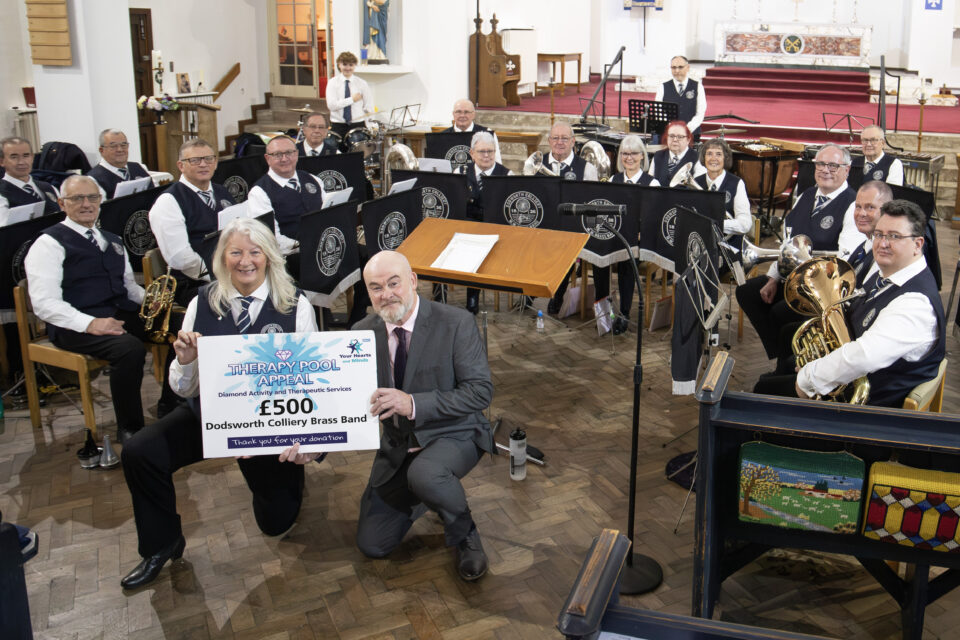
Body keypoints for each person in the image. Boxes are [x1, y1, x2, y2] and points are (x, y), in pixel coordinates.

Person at [119, 217, 318, 589]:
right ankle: (161, 545)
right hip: (212, 415)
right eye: (236, 252)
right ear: (222, 258)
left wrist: (297, 440)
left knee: (276, 522)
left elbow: (310, 385)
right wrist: (186, 361)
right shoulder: (202, 301)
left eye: (255, 252)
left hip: (270, 425)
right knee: (139, 451)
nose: (246, 261)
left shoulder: (296, 305)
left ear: (269, 256)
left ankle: (283, 482)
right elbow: (182, 390)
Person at [282, 250, 494, 581]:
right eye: (376, 287)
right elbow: (345, 402)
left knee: (426, 473)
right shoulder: (362, 333)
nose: (387, 294)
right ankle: (432, 495)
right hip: (399, 447)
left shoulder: (455, 322)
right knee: (373, 544)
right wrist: (316, 446)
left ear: (412, 281)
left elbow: (480, 392)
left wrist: (413, 403)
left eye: (394, 283)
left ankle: (464, 531)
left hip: (454, 433)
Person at [24, 176, 180, 442]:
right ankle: (130, 429)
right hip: (72, 324)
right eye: (77, 199)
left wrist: (152, 303)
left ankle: (171, 405)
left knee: (184, 327)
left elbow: (129, 287)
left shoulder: (113, 239)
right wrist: (90, 323)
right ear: (62, 203)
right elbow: (44, 304)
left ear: (101, 201)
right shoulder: (48, 243)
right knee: (128, 349)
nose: (86, 204)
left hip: (117, 311)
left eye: (92, 197)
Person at [753, 199, 944, 408]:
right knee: (781, 370)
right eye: (879, 234)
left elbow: (864, 356)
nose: (883, 243)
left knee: (762, 390)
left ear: (917, 244)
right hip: (851, 380)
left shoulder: (916, 304)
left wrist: (808, 377)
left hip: (868, 409)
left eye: (894, 236)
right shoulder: (888, 273)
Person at [736, 143, 863, 369]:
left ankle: (789, 362)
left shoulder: (851, 205)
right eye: (821, 164)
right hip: (794, 279)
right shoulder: (806, 194)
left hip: (821, 289)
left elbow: (845, 257)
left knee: (778, 311)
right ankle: (784, 354)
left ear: (847, 169)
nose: (826, 170)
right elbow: (788, 243)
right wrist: (773, 279)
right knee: (748, 292)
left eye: (833, 165)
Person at [149, 138, 236, 306]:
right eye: (195, 160)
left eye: (208, 159)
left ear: (216, 162)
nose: (203, 164)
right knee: (241, 297)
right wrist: (223, 276)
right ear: (181, 166)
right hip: (193, 282)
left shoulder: (222, 191)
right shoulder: (169, 201)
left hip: (229, 271)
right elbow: (180, 258)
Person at [595, 135, 659, 335]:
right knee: (598, 260)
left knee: (626, 262)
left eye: (633, 153)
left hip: (639, 241)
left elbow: (653, 220)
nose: (628, 158)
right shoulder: (614, 180)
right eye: (624, 153)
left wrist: (640, 234)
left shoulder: (652, 183)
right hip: (615, 237)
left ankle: (624, 314)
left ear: (642, 156)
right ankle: (604, 312)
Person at [247, 135, 327, 270]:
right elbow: (271, 239)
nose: (284, 159)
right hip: (290, 257)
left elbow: (327, 213)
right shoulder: (259, 192)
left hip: (322, 245)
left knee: (360, 254)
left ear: (296, 154)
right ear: (268, 158)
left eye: (289, 153)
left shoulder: (313, 179)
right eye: (277, 155)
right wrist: (307, 246)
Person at [544, 122, 598, 314]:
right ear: (549, 141)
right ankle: (531, 291)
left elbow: (591, 204)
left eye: (565, 138)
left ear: (573, 141)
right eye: (556, 138)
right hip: (544, 226)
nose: (560, 142)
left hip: (572, 228)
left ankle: (557, 295)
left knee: (564, 245)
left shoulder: (587, 169)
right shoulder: (536, 163)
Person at [458, 131, 510, 314]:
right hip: (468, 227)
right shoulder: (460, 172)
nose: (486, 155)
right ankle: (471, 296)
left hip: (496, 227)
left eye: (490, 151)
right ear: (472, 153)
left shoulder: (506, 175)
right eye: (482, 152)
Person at [694, 138, 752, 244]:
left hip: (729, 245)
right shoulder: (695, 183)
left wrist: (716, 225)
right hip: (701, 244)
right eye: (709, 154)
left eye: (719, 154)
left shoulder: (737, 183)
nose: (713, 158)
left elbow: (745, 224)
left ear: (725, 158)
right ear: (703, 157)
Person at [0, 136, 59, 224]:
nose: (21, 162)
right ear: (1, 162)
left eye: (26, 155)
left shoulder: (49, 187)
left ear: (32, 158)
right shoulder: (2, 193)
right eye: (14, 157)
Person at [86, 129, 151, 199]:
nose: (120, 150)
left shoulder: (138, 167)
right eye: (113, 146)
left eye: (123, 145)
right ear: (101, 150)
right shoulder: (93, 179)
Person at [654, 56, 707, 139]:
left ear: (688, 68)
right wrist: (671, 129)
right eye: (673, 67)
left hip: (691, 134)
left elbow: (700, 113)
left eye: (680, 67)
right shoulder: (663, 87)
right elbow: (658, 111)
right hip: (668, 134)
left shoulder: (698, 86)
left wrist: (687, 129)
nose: (677, 71)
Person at [326, 52, 373, 140]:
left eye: (351, 65)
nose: (348, 68)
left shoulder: (362, 83)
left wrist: (370, 125)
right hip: (338, 125)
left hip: (358, 124)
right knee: (336, 152)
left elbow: (368, 106)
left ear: (354, 66)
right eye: (344, 64)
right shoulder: (332, 82)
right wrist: (352, 99)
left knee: (359, 152)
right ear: (339, 65)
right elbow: (331, 106)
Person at [647, 120, 704, 186]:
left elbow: (699, 186)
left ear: (688, 140)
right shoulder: (658, 156)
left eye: (680, 137)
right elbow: (650, 182)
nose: (675, 140)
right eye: (671, 136)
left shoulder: (697, 158)